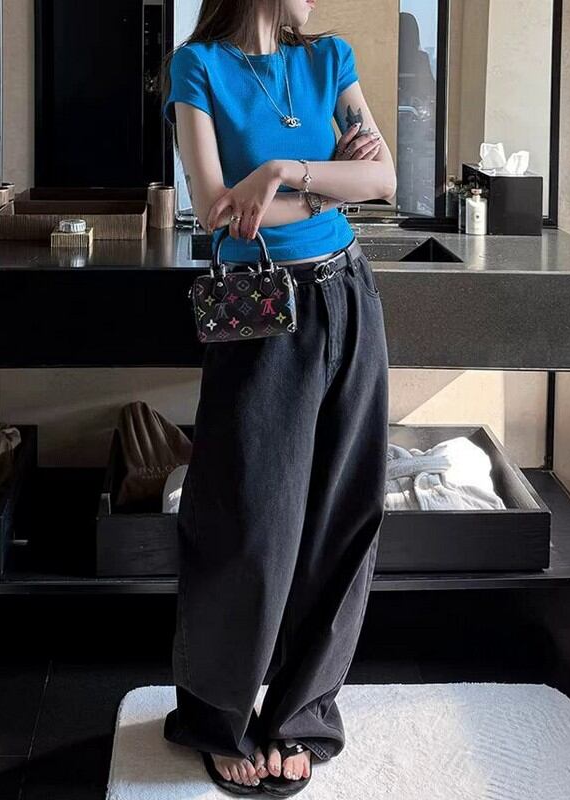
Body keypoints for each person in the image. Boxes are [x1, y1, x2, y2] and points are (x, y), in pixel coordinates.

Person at [160, 0, 395, 794]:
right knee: (246, 520)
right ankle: (217, 717)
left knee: (343, 514)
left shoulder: (330, 59)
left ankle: (301, 715)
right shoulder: (198, 68)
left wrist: (280, 173)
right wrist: (328, 180)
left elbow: (383, 179)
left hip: (348, 294)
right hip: (260, 303)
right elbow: (216, 212)